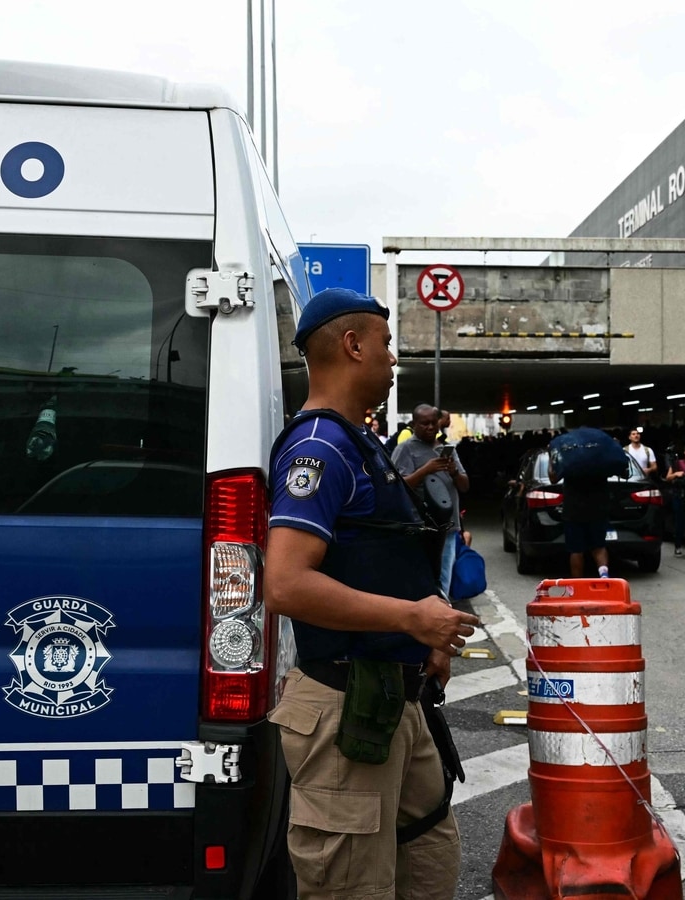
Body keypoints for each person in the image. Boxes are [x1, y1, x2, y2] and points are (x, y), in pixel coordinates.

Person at [262, 287, 478, 900]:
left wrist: (421, 642)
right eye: (386, 346)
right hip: (344, 709)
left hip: (394, 701)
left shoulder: (360, 445)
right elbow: (285, 583)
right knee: (351, 885)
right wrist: (413, 618)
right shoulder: (319, 449)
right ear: (353, 345)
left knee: (428, 864)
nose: (393, 362)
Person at [391, 404, 471, 598]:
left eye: (433, 423)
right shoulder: (405, 449)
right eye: (424, 423)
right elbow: (397, 486)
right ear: (414, 424)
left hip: (448, 527)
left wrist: (453, 472)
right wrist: (425, 470)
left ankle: (442, 615)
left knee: (443, 579)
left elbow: (465, 485)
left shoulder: (447, 449)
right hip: (420, 527)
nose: (430, 427)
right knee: (422, 580)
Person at [548, 427, 622, 578]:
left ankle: (578, 585)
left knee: (576, 550)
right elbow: (619, 467)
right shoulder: (600, 458)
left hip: (573, 510)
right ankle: (604, 577)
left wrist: (551, 457)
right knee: (599, 547)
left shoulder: (570, 459)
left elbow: (553, 478)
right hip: (598, 508)